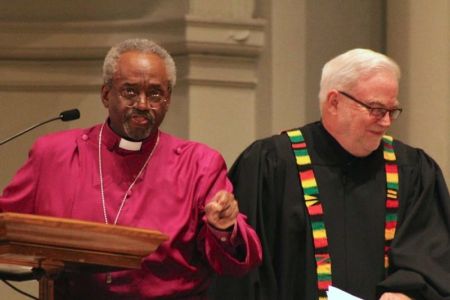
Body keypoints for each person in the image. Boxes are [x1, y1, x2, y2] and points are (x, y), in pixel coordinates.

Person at [0, 38, 262, 299]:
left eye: (155, 93)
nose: (143, 104)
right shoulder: (54, 155)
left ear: (168, 98)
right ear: (106, 94)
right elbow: (5, 224)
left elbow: (235, 263)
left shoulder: (199, 164)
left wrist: (224, 229)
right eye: (130, 91)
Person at [210, 49, 450, 300]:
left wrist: (406, 291)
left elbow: (433, 255)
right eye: (377, 109)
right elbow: (242, 269)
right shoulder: (272, 164)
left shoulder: (413, 170)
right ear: (334, 102)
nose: (387, 122)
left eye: (393, 110)